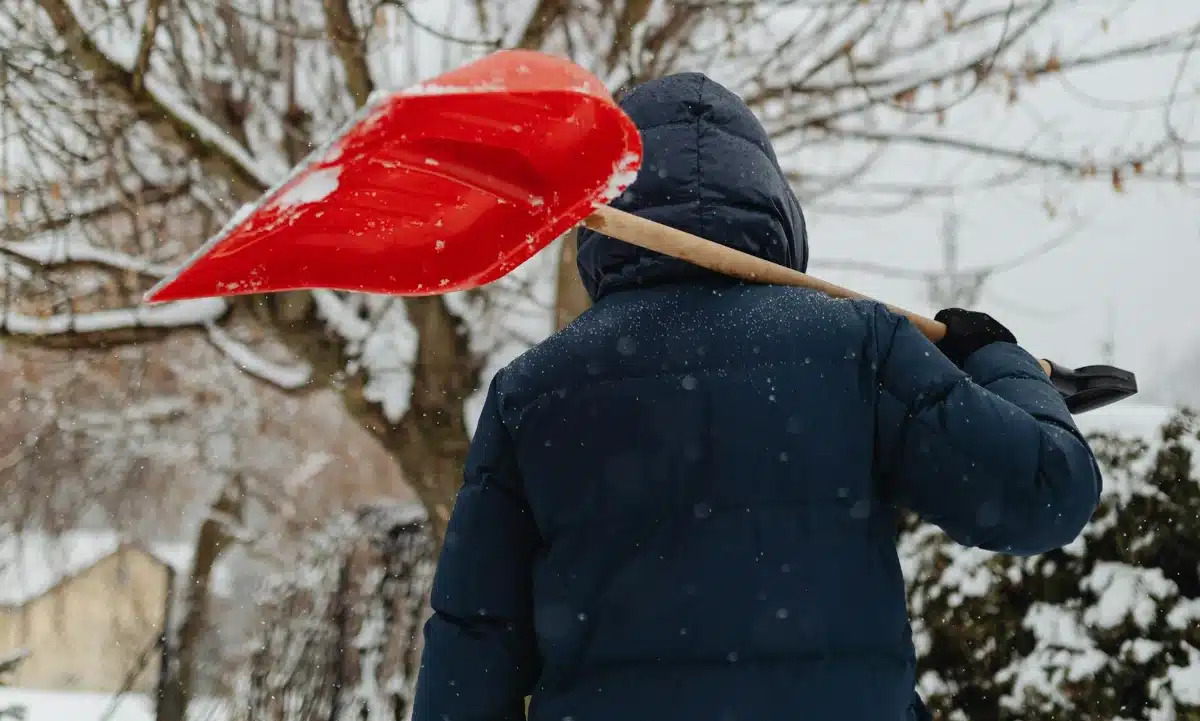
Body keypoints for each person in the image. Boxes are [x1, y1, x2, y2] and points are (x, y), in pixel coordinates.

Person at [410, 73, 1102, 721]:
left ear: (610, 208)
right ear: (771, 203)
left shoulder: (533, 392)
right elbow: (1046, 490)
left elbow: (474, 643)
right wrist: (996, 357)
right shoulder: (857, 348)